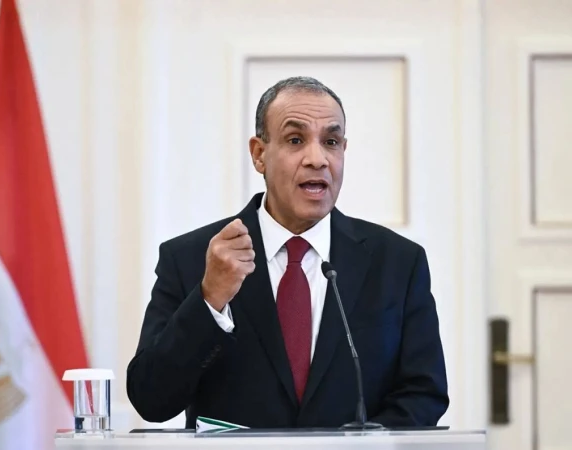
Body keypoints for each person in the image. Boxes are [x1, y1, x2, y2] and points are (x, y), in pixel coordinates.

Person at [126, 76, 449, 429]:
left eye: (331, 142)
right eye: (295, 140)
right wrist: (210, 298)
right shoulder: (192, 258)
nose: (317, 159)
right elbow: (151, 400)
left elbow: (424, 394)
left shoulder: (398, 263)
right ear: (259, 154)